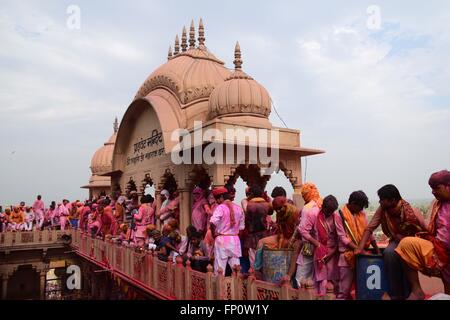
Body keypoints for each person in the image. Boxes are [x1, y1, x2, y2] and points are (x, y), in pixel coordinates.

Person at [356, 184, 427, 300]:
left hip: (412, 242)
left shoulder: (412, 212)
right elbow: (370, 228)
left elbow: (426, 229)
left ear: (393, 200)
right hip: (396, 241)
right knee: (389, 253)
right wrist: (360, 247)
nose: (379, 202)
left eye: (381, 200)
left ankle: (414, 291)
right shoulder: (383, 210)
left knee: (407, 255)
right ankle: (396, 294)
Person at [395, 170, 450, 299]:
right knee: (406, 244)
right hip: (439, 250)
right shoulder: (436, 204)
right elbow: (430, 229)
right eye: (431, 188)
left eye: (437, 188)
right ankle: (417, 290)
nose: (433, 192)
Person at [336, 191, 379, 300]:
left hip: (362, 258)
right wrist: (358, 249)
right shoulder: (339, 216)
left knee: (362, 289)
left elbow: (369, 232)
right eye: (360, 207)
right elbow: (343, 238)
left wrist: (377, 250)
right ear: (353, 203)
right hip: (347, 257)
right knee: (344, 291)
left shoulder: (362, 215)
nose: (362, 210)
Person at [305, 195, 341, 297]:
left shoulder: (336, 217)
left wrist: (331, 253)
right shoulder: (315, 215)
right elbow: (303, 231)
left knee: (334, 280)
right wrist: (317, 244)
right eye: (328, 211)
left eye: (332, 211)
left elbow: (340, 238)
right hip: (320, 251)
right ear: (323, 207)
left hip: (333, 253)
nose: (330, 213)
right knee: (321, 280)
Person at [209, 187, 245, 275]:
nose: (217, 201)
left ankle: (218, 288)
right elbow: (241, 228)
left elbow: (212, 222)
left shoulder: (220, 208)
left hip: (222, 239)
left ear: (221, 197)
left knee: (219, 268)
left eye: (217, 199)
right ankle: (237, 287)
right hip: (235, 240)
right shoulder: (239, 208)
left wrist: (214, 234)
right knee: (236, 268)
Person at [297, 182, 323, 287]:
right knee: (314, 276)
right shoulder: (320, 204)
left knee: (300, 277)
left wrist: (316, 243)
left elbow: (303, 230)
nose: (303, 198)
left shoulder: (307, 208)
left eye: (303, 196)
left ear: (307, 195)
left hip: (309, 245)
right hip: (322, 245)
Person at [243, 185, 272, 269]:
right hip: (265, 235)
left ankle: (255, 278)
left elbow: (245, 207)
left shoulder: (248, 205)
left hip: (252, 236)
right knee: (264, 260)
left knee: (253, 261)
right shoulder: (267, 205)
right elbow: (271, 210)